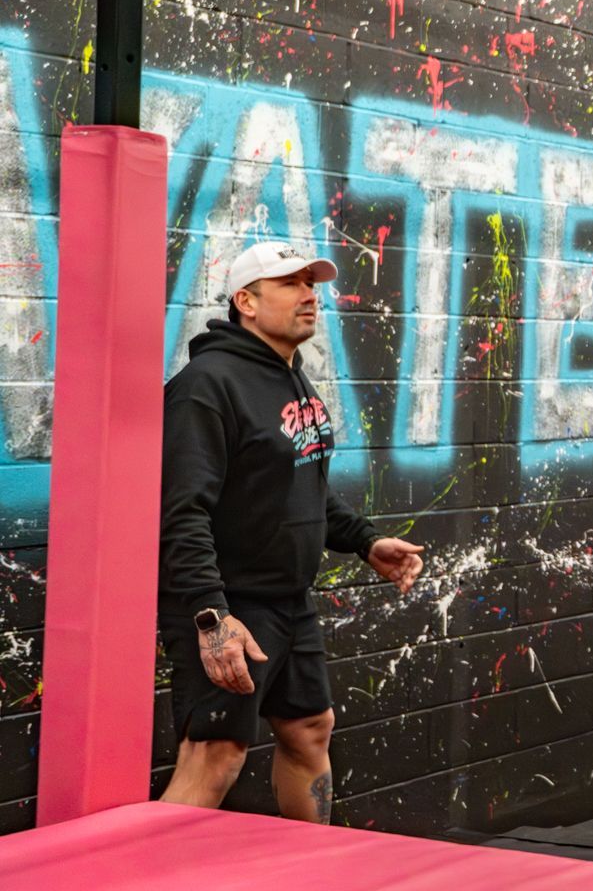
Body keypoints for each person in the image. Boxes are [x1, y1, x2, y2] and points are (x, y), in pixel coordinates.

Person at [157, 241, 427, 822]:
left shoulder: (290, 378)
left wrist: (365, 540)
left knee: (309, 729)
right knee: (214, 758)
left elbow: (299, 487)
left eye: (312, 283)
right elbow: (181, 512)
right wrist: (211, 618)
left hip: (288, 601)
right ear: (246, 301)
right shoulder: (207, 386)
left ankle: (313, 872)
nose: (310, 295)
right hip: (229, 606)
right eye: (291, 284)